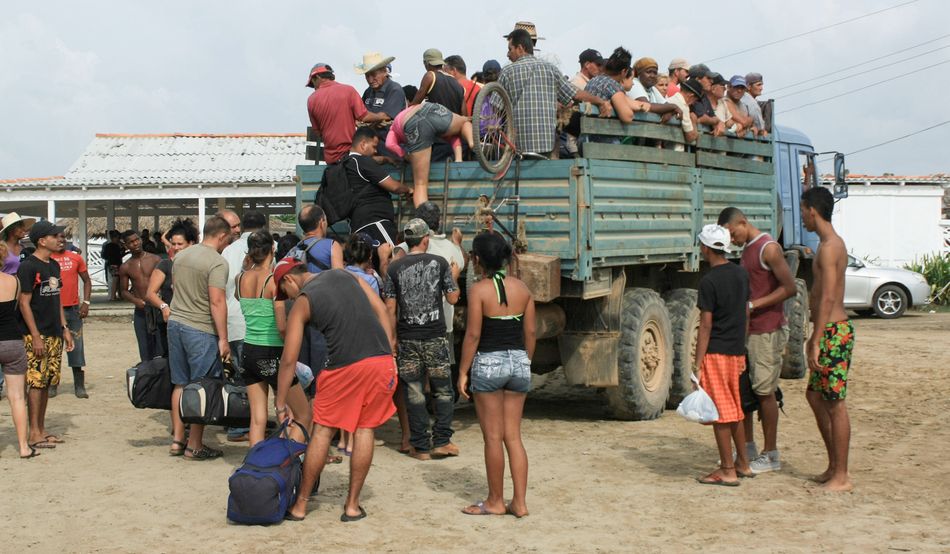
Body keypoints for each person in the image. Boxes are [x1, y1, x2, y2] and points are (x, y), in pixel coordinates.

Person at [275, 264, 397, 522]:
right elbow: (382, 309)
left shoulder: (304, 301)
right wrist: (388, 353)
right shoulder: (346, 274)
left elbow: (288, 359)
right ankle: (352, 506)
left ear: (289, 279)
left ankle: (301, 505)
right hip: (379, 362)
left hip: (342, 366)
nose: (288, 299)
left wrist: (280, 400)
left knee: (323, 430)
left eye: (285, 292)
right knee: (365, 429)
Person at [457, 231, 536, 517]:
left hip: (489, 364)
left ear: (477, 260)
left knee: (492, 437)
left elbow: (474, 335)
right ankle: (521, 503)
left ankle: (494, 501)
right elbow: (530, 332)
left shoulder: (478, 291)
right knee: (513, 436)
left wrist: (463, 372)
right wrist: (524, 362)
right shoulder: (524, 289)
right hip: (518, 362)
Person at [718, 207, 797, 473]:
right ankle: (748, 448)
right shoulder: (748, 249)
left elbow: (790, 288)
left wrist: (753, 305)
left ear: (743, 222)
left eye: (732, 233)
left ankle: (771, 453)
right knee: (747, 393)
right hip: (749, 330)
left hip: (767, 330)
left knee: (765, 392)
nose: (732, 240)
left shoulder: (768, 248)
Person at [384, 219, 461, 460]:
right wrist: (455, 275)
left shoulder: (393, 268)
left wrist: (392, 339)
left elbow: (389, 308)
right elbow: (452, 299)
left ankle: (420, 447)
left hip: (408, 339)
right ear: (426, 239)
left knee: (414, 393)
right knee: (443, 391)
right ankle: (441, 441)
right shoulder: (438, 263)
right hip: (435, 337)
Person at [800, 186, 854, 492]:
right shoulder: (825, 245)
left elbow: (828, 296)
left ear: (812, 210)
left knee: (835, 403)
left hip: (833, 332)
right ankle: (834, 465)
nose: (803, 217)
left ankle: (842, 475)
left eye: (803, 210)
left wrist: (817, 338)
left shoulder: (831, 246)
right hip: (826, 332)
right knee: (815, 396)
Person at [235, 232, 311, 446]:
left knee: (257, 418)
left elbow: (236, 297)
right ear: (273, 250)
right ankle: (290, 461)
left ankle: (255, 464)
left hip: (248, 350)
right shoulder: (272, 282)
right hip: (271, 352)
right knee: (303, 414)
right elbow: (281, 326)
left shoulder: (240, 278)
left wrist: (245, 266)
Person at [166, 216, 232, 460]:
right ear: (223, 236)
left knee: (180, 383)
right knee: (202, 387)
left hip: (175, 323)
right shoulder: (217, 262)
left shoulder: (181, 255)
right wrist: (223, 338)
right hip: (200, 329)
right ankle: (195, 445)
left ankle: (177, 439)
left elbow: (175, 287)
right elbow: (217, 301)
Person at [693, 224, 752, 486]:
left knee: (720, 413)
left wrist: (697, 362)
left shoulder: (708, 282)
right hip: (736, 351)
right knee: (735, 409)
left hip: (716, 352)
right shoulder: (740, 274)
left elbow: (706, 324)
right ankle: (743, 463)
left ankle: (727, 470)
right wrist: (742, 346)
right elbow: (746, 312)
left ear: (705, 248)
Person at [499, 28, 613, 156]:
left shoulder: (506, 72)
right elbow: (575, 93)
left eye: (510, 49)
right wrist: (600, 101)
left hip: (516, 146)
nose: (508, 54)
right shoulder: (550, 68)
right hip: (546, 146)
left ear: (520, 48)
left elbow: (496, 108)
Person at [17, 221, 74, 450]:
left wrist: (64, 328)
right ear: (42, 240)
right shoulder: (29, 266)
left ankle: (41, 429)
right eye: (54, 235)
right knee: (36, 383)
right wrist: (35, 335)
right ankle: (33, 433)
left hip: (54, 333)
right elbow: (24, 303)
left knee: (48, 382)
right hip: (35, 335)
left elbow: (56, 298)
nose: (60, 239)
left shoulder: (53, 265)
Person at [346, 126, 412, 276]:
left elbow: (374, 160)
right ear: (363, 144)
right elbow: (393, 186)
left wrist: (386, 159)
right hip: (376, 223)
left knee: (368, 271)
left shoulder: (347, 162)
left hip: (357, 226)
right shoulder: (363, 162)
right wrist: (408, 190)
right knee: (395, 264)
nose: (376, 151)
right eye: (374, 146)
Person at [385, 102, 474, 207]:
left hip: (412, 123)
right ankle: (473, 143)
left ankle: (423, 219)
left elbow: (389, 144)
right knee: (463, 121)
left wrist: (406, 156)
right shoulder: (410, 109)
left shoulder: (393, 127)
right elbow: (452, 136)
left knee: (420, 184)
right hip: (431, 108)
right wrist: (458, 159)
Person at [306, 62, 391, 164]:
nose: (314, 87)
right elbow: (364, 116)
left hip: (331, 159)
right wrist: (381, 116)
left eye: (313, 83)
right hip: (351, 156)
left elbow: (318, 132)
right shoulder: (348, 90)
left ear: (317, 77)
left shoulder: (311, 100)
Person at [0, 241, 38, 458]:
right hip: (12, 342)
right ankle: (24, 447)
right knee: (17, 397)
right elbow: (16, 309)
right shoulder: (13, 281)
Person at [145, 219, 199, 356]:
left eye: (180, 244)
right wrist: (163, 306)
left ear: (191, 243)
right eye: (173, 244)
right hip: (169, 322)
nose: (175, 247)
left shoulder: (198, 265)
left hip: (194, 321)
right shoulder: (165, 265)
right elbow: (150, 293)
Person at [50, 231, 92, 398]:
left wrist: (86, 302)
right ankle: (53, 383)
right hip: (52, 309)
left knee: (76, 346)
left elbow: (87, 280)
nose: (60, 242)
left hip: (73, 309)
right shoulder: (47, 259)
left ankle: (79, 385)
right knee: (54, 347)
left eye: (63, 239)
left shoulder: (75, 258)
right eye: (57, 239)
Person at [118, 230, 163, 362]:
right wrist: (136, 301)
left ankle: (163, 379)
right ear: (126, 246)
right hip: (141, 311)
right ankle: (148, 378)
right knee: (145, 348)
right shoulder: (125, 267)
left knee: (161, 347)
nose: (135, 243)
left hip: (158, 308)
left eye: (137, 239)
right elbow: (124, 291)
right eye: (131, 242)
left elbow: (166, 282)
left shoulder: (155, 259)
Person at [356, 52, 406, 159]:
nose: (370, 80)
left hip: (389, 147)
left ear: (384, 72)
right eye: (367, 75)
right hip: (370, 147)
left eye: (374, 75)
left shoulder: (394, 89)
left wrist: (365, 119)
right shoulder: (368, 92)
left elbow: (385, 116)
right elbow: (359, 113)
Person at [585, 47, 650, 128]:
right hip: (604, 137)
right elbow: (627, 117)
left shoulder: (593, 80)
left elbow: (628, 101)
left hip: (586, 135)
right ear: (623, 72)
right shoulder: (613, 85)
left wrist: (640, 105)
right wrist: (639, 107)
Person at [288, 205, 343, 273]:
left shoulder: (292, 251)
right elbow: (340, 278)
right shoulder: (332, 246)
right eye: (325, 220)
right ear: (321, 223)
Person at [410, 49, 465, 116]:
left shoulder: (430, 76)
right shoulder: (457, 83)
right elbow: (464, 113)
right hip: (455, 124)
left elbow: (414, 105)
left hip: (436, 124)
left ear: (426, 63)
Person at [666, 77, 702, 144]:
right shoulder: (683, 106)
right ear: (691, 96)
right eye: (695, 100)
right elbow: (690, 137)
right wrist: (693, 120)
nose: (694, 103)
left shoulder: (669, 99)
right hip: (673, 150)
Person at [1, 212, 35, 277]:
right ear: (11, 230)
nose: (24, 229)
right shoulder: (1, 248)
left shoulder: (24, 249)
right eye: (20, 226)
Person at [742, 72, 768, 136]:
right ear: (748, 86)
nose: (761, 88)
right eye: (758, 85)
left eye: (762, 85)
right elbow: (760, 127)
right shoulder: (751, 102)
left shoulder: (741, 97)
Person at [101, 230, 124, 301]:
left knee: (117, 280)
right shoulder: (114, 246)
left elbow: (104, 255)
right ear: (114, 238)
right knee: (115, 279)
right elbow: (119, 255)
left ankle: (116, 295)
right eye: (117, 238)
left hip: (111, 263)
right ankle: (113, 296)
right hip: (114, 264)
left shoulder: (108, 246)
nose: (118, 239)